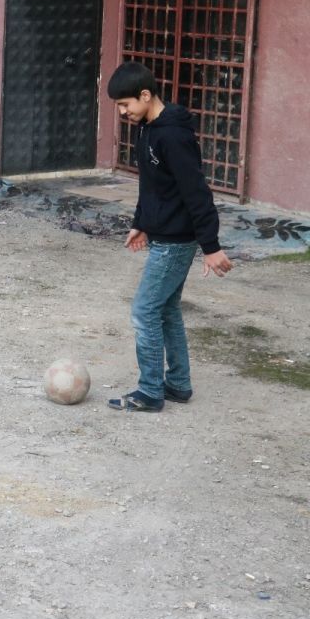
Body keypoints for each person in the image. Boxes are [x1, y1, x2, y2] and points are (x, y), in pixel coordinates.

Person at [106, 61, 232, 412]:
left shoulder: (173, 135)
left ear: (145, 95)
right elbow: (152, 185)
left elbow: (195, 191)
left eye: (125, 104)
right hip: (162, 233)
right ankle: (177, 384)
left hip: (177, 240)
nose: (123, 111)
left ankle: (150, 392)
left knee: (144, 310)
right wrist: (141, 222)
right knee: (166, 310)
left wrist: (211, 246)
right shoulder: (146, 127)